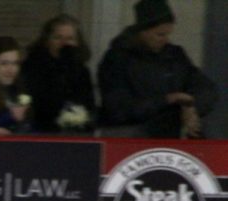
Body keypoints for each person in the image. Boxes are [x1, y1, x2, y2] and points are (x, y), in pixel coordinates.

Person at [97, 0, 218, 138]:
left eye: (168, 34)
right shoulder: (117, 59)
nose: (166, 40)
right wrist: (166, 100)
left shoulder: (175, 56)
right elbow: (118, 108)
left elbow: (205, 87)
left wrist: (191, 107)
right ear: (143, 31)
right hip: (134, 136)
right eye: (160, 35)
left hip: (172, 132)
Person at [22, 14, 95, 133]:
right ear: (47, 40)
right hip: (41, 132)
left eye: (70, 38)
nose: (64, 43)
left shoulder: (82, 71)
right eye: (58, 37)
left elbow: (88, 104)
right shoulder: (32, 66)